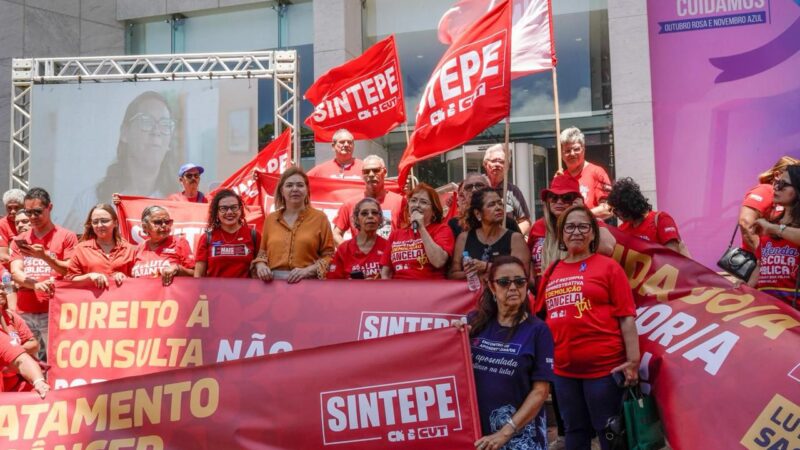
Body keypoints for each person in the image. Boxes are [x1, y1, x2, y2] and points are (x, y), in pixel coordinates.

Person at [537, 205, 639, 450]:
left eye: (583, 226)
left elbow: (626, 316)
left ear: (593, 234)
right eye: (570, 227)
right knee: (574, 432)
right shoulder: (552, 271)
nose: (577, 232)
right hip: (563, 371)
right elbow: (541, 317)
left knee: (610, 433)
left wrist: (633, 360)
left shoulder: (608, 267)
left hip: (604, 370)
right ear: (561, 234)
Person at [452, 256, 553, 449]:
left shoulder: (539, 330)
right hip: (476, 433)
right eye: (504, 282)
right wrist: (453, 336)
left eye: (520, 281)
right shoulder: (474, 322)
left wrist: (504, 433)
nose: (513, 288)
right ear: (491, 287)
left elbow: (541, 392)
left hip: (520, 437)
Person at [66, 91, 181, 230]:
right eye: (146, 122)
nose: (156, 131)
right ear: (125, 132)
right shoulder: (90, 201)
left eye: (165, 125)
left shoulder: (179, 202)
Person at [10, 188, 78, 362]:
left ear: (50, 208)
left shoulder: (66, 236)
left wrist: (45, 257)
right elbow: (16, 273)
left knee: (56, 360)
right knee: (24, 360)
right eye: (28, 212)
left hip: (54, 310)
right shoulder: (21, 240)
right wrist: (35, 285)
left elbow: (71, 269)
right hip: (24, 311)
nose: (32, 217)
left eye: (38, 212)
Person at [253, 168, 335, 283]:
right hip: (273, 287)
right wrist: (261, 266)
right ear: (282, 190)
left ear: (307, 190)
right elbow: (262, 255)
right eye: (289, 185)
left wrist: (307, 271)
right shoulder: (271, 219)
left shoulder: (320, 218)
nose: (295, 189)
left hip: (308, 286)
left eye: (300, 185)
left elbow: (329, 257)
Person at [529, 175, 616, 283]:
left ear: (577, 201)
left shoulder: (589, 222)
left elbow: (607, 248)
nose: (559, 202)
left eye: (566, 198)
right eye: (554, 197)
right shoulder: (538, 226)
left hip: (574, 286)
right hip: (542, 291)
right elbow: (528, 260)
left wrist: (583, 213)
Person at [449, 187, 529, 282]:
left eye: (500, 203)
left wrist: (487, 267)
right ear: (478, 213)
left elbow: (522, 273)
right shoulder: (463, 238)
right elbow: (452, 274)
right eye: (491, 205)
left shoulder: (515, 238)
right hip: (473, 295)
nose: (498, 208)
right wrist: (471, 273)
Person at [749, 165, 800, 307]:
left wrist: (773, 228)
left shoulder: (771, 227)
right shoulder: (771, 225)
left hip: (794, 313)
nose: (776, 188)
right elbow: (761, 265)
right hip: (768, 311)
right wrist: (747, 288)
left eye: (783, 184)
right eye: (776, 183)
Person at [381, 183, 454, 280]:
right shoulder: (396, 234)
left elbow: (439, 261)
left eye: (423, 202)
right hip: (399, 291)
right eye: (413, 201)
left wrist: (421, 228)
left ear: (434, 211)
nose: (417, 205)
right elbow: (386, 273)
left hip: (430, 291)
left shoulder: (442, 230)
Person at [607, 177, 690, 256]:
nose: (615, 214)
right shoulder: (622, 229)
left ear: (626, 207)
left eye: (616, 210)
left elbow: (673, 256)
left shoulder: (661, 219)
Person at [331, 155, 404, 245]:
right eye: (366, 171)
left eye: (376, 170)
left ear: (384, 172)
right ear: (362, 175)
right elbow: (335, 234)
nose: (371, 174)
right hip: (360, 258)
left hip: (390, 257)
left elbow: (409, 233)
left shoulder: (400, 202)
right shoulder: (350, 204)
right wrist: (349, 253)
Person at [66, 204, 135, 288]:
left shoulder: (130, 249)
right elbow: (69, 280)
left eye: (104, 221)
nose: (99, 225)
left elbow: (139, 279)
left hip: (123, 299)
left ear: (115, 223)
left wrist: (126, 278)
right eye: (95, 222)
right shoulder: (81, 249)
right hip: (92, 300)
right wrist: (89, 276)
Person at [195, 190, 260, 278]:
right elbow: (199, 275)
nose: (229, 212)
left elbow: (263, 263)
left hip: (246, 291)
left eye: (234, 207)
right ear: (216, 212)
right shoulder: (207, 238)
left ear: (240, 209)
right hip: (215, 291)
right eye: (223, 208)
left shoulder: (254, 236)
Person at [739, 156, 799, 251]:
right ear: (777, 175)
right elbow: (745, 222)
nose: (776, 188)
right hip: (758, 259)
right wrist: (762, 254)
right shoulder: (765, 190)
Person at [558, 127, 613, 219]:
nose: (572, 153)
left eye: (576, 149)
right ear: (562, 154)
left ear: (583, 149)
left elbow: (608, 208)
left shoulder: (597, 172)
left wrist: (580, 216)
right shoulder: (561, 178)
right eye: (567, 151)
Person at [131, 206, 195, 285]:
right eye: (158, 222)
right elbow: (128, 278)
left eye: (167, 222)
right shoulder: (139, 248)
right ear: (145, 227)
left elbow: (197, 275)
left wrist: (178, 269)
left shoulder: (180, 243)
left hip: (170, 296)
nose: (164, 225)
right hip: (143, 296)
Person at [328, 198, 389, 280]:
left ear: (380, 218)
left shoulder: (388, 247)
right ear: (356, 219)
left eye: (374, 213)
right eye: (364, 213)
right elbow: (333, 284)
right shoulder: (343, 250)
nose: (370, 216)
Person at [0, 288, 46, 397]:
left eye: (2, 288)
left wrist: (11, 354)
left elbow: (34, 344)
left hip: (17, 380)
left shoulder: (11, 316)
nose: (1, 292)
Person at [448, 173, 520, 238]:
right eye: (469, 187)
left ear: (489, 189)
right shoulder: (454, 224)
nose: (474, 190)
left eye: (479, 185)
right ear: (463, 194)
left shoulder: (507, 224)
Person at [482, 144, 532, 235]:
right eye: (494, 161)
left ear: (507, 167)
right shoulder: (475, 186)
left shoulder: (513, 191)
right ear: (485, 164)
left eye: (501, 162)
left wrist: (511, 237)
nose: (497, 164)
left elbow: (525, 221)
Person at [0, 189, 25, 265]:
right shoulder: (2, 224)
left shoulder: (32, 221)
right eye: (9, 208)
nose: (13, 211)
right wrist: (22, 263)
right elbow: (2, 255)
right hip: (9, 269)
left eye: (17, 208)